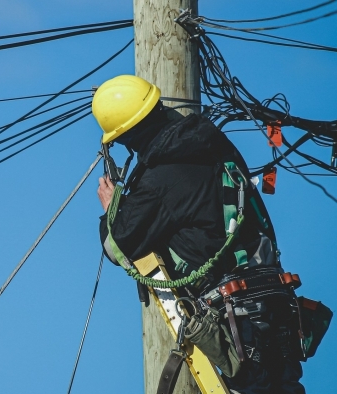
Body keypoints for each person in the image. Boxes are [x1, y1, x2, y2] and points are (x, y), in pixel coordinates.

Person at [92, 75, 305, 394]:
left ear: (125, 137)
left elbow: (117, 246)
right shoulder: (215, 145)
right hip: (275, 301)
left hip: (234, 315)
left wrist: (112, 207)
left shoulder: (159, 178)